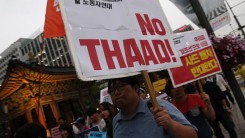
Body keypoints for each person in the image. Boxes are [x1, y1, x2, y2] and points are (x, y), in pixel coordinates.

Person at [107, 76, 197, 138]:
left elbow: (192, 135)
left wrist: (171, 125)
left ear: (135, 88)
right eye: (111, 91)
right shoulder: (115, 122)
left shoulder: (158, 106)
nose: (116, 93)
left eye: (120, 87)